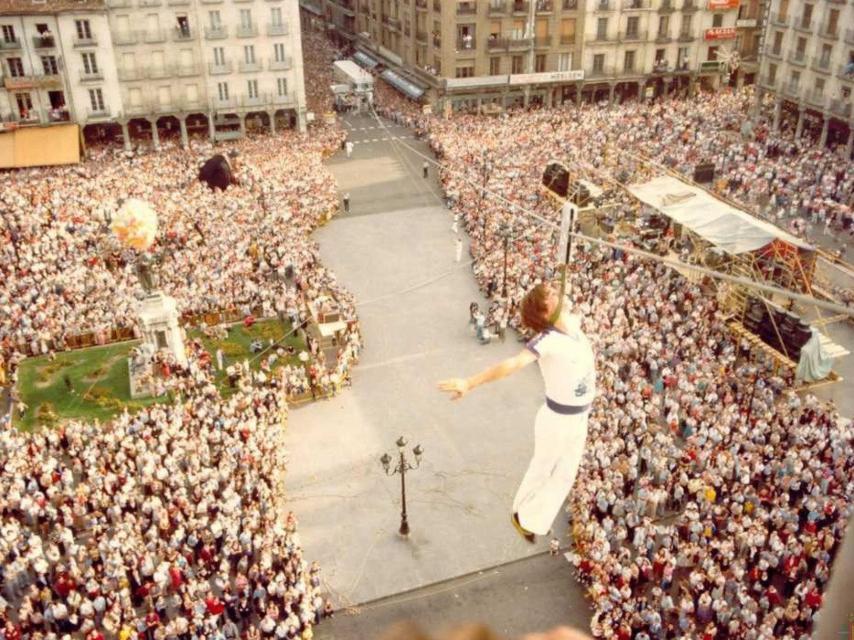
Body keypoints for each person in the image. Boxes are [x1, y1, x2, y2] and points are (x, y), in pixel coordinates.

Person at [439, 283, 596, 543]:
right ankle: (521, 514)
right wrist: (470, 382)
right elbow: (513, 364)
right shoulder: (547, 341)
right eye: (552, 297)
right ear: (545, 314)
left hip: (580, 416)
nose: (559, 294)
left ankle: (533, 520)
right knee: (543, 468)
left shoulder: (572, 323)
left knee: (566, 474)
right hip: (559, 418)